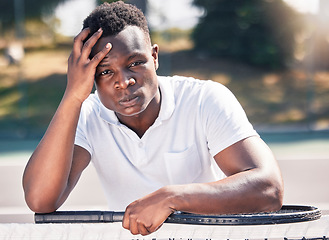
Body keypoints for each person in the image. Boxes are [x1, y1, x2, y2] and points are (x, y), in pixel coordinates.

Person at [23, 1, 283, 236]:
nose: (124, 81)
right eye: (105, 72)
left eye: (135, 63)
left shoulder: (204, 98)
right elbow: (40, 199)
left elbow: (268, 188)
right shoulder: (87, 113)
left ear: (154, 57)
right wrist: (72, 96)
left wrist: (172, 197)